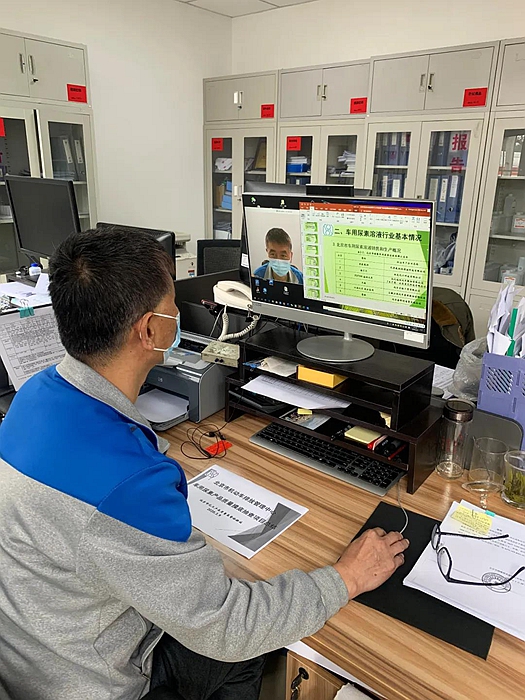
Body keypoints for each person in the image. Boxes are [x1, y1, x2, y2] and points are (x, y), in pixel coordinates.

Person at [0, 227, 409, 700]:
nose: (178, 312)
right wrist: (347, 577)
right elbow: (228, 625)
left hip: (34, 648)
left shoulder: (35, 394)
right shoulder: (126, 482)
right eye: (172, 301)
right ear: (149, 330)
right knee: (243, 651)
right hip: (89, 682)